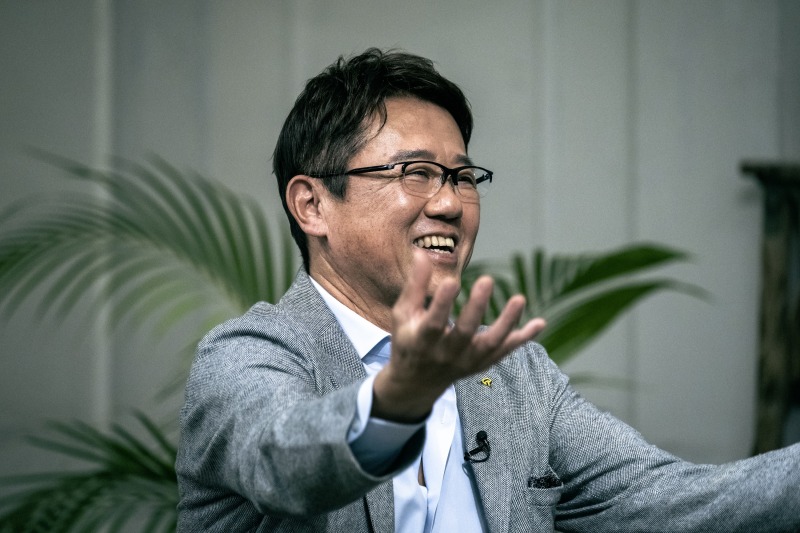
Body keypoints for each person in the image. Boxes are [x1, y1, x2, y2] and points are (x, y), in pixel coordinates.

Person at [176, 48, 799, 532]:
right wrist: (393, 405)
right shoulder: (244, 356)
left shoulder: (516, 374)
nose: (450, 203)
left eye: (463, 176)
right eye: (416, 172)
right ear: (312, 205)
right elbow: (285, 462)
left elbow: (664, 500)